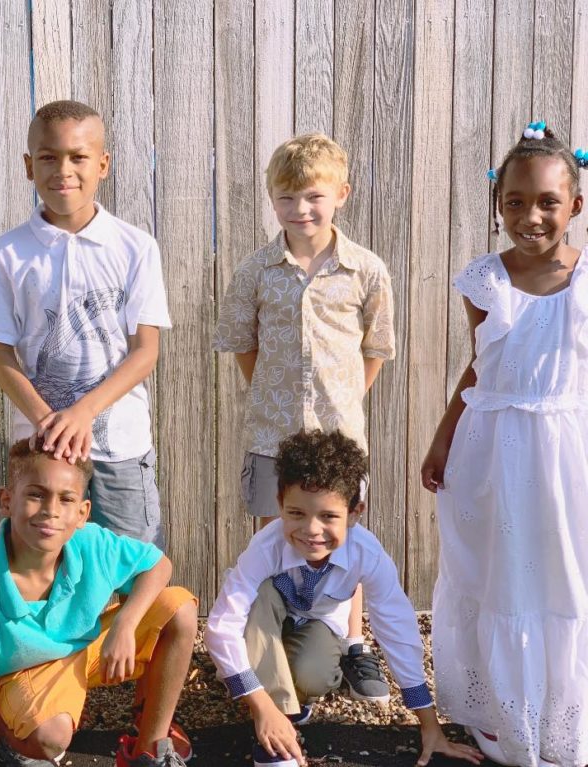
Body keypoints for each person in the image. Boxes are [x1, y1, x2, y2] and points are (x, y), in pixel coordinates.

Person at [421, 121, 588, 767]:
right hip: (494, 450)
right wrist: (443, 437)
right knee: (500, 577)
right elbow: (481, 365)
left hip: (566, 450)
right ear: (498, 205)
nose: (531, 215)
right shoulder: (485, 280)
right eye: (515, 201)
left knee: (565, 578)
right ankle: (505, 717)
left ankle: (561, 720)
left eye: (548, 201)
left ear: (575, 205)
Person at [213, 133, 396, 705]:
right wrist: (273, 394)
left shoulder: (365, 270)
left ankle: (351, 640)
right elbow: (244, 345)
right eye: (287, 199)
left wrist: (343, 401)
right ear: (273, 200)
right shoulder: (256, 271)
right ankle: (261, 646)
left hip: (340, 434)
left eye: (314, 196)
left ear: (340, 194)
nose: (301, 210)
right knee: (271, 537)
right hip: (273, 435)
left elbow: (375, 349)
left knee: (345, 538)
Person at [206, 430, 482, 767]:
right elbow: (223, 624)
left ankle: (283, 688)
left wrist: (429, 725)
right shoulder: (267, 546)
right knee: (260, 594)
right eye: (296, 513)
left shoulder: (367, 553)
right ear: (279, 505)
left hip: (317, 624)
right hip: (265, 619)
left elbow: (396, 627)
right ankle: (276, 735)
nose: (311, 530)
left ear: (355, 512)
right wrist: (262, 705)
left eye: (328, 516)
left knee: (315, 676)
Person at [0, 99, 170, 547]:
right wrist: (48, 421)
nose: (63, 169)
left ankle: (127, 623)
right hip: (42, 449)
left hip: (120, 445)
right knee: (46, 564)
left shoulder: (136, 248)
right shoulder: (6, 255)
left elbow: (145, 350)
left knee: (129, 560)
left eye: (78, 157)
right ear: (28, 166)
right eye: (48, 157)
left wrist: (83, 413)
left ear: (102, 164)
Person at [0, 438, 198, 767]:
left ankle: (148, 748)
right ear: (7, 501)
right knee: (50, 737)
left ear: (82, 513)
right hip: (23, 674)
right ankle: (4, 728)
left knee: (179, 608)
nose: (51, 510)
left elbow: (158, 565)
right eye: (36, 494)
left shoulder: (90, 541)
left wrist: (126, 622)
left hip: (86, 650)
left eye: (66, 499)